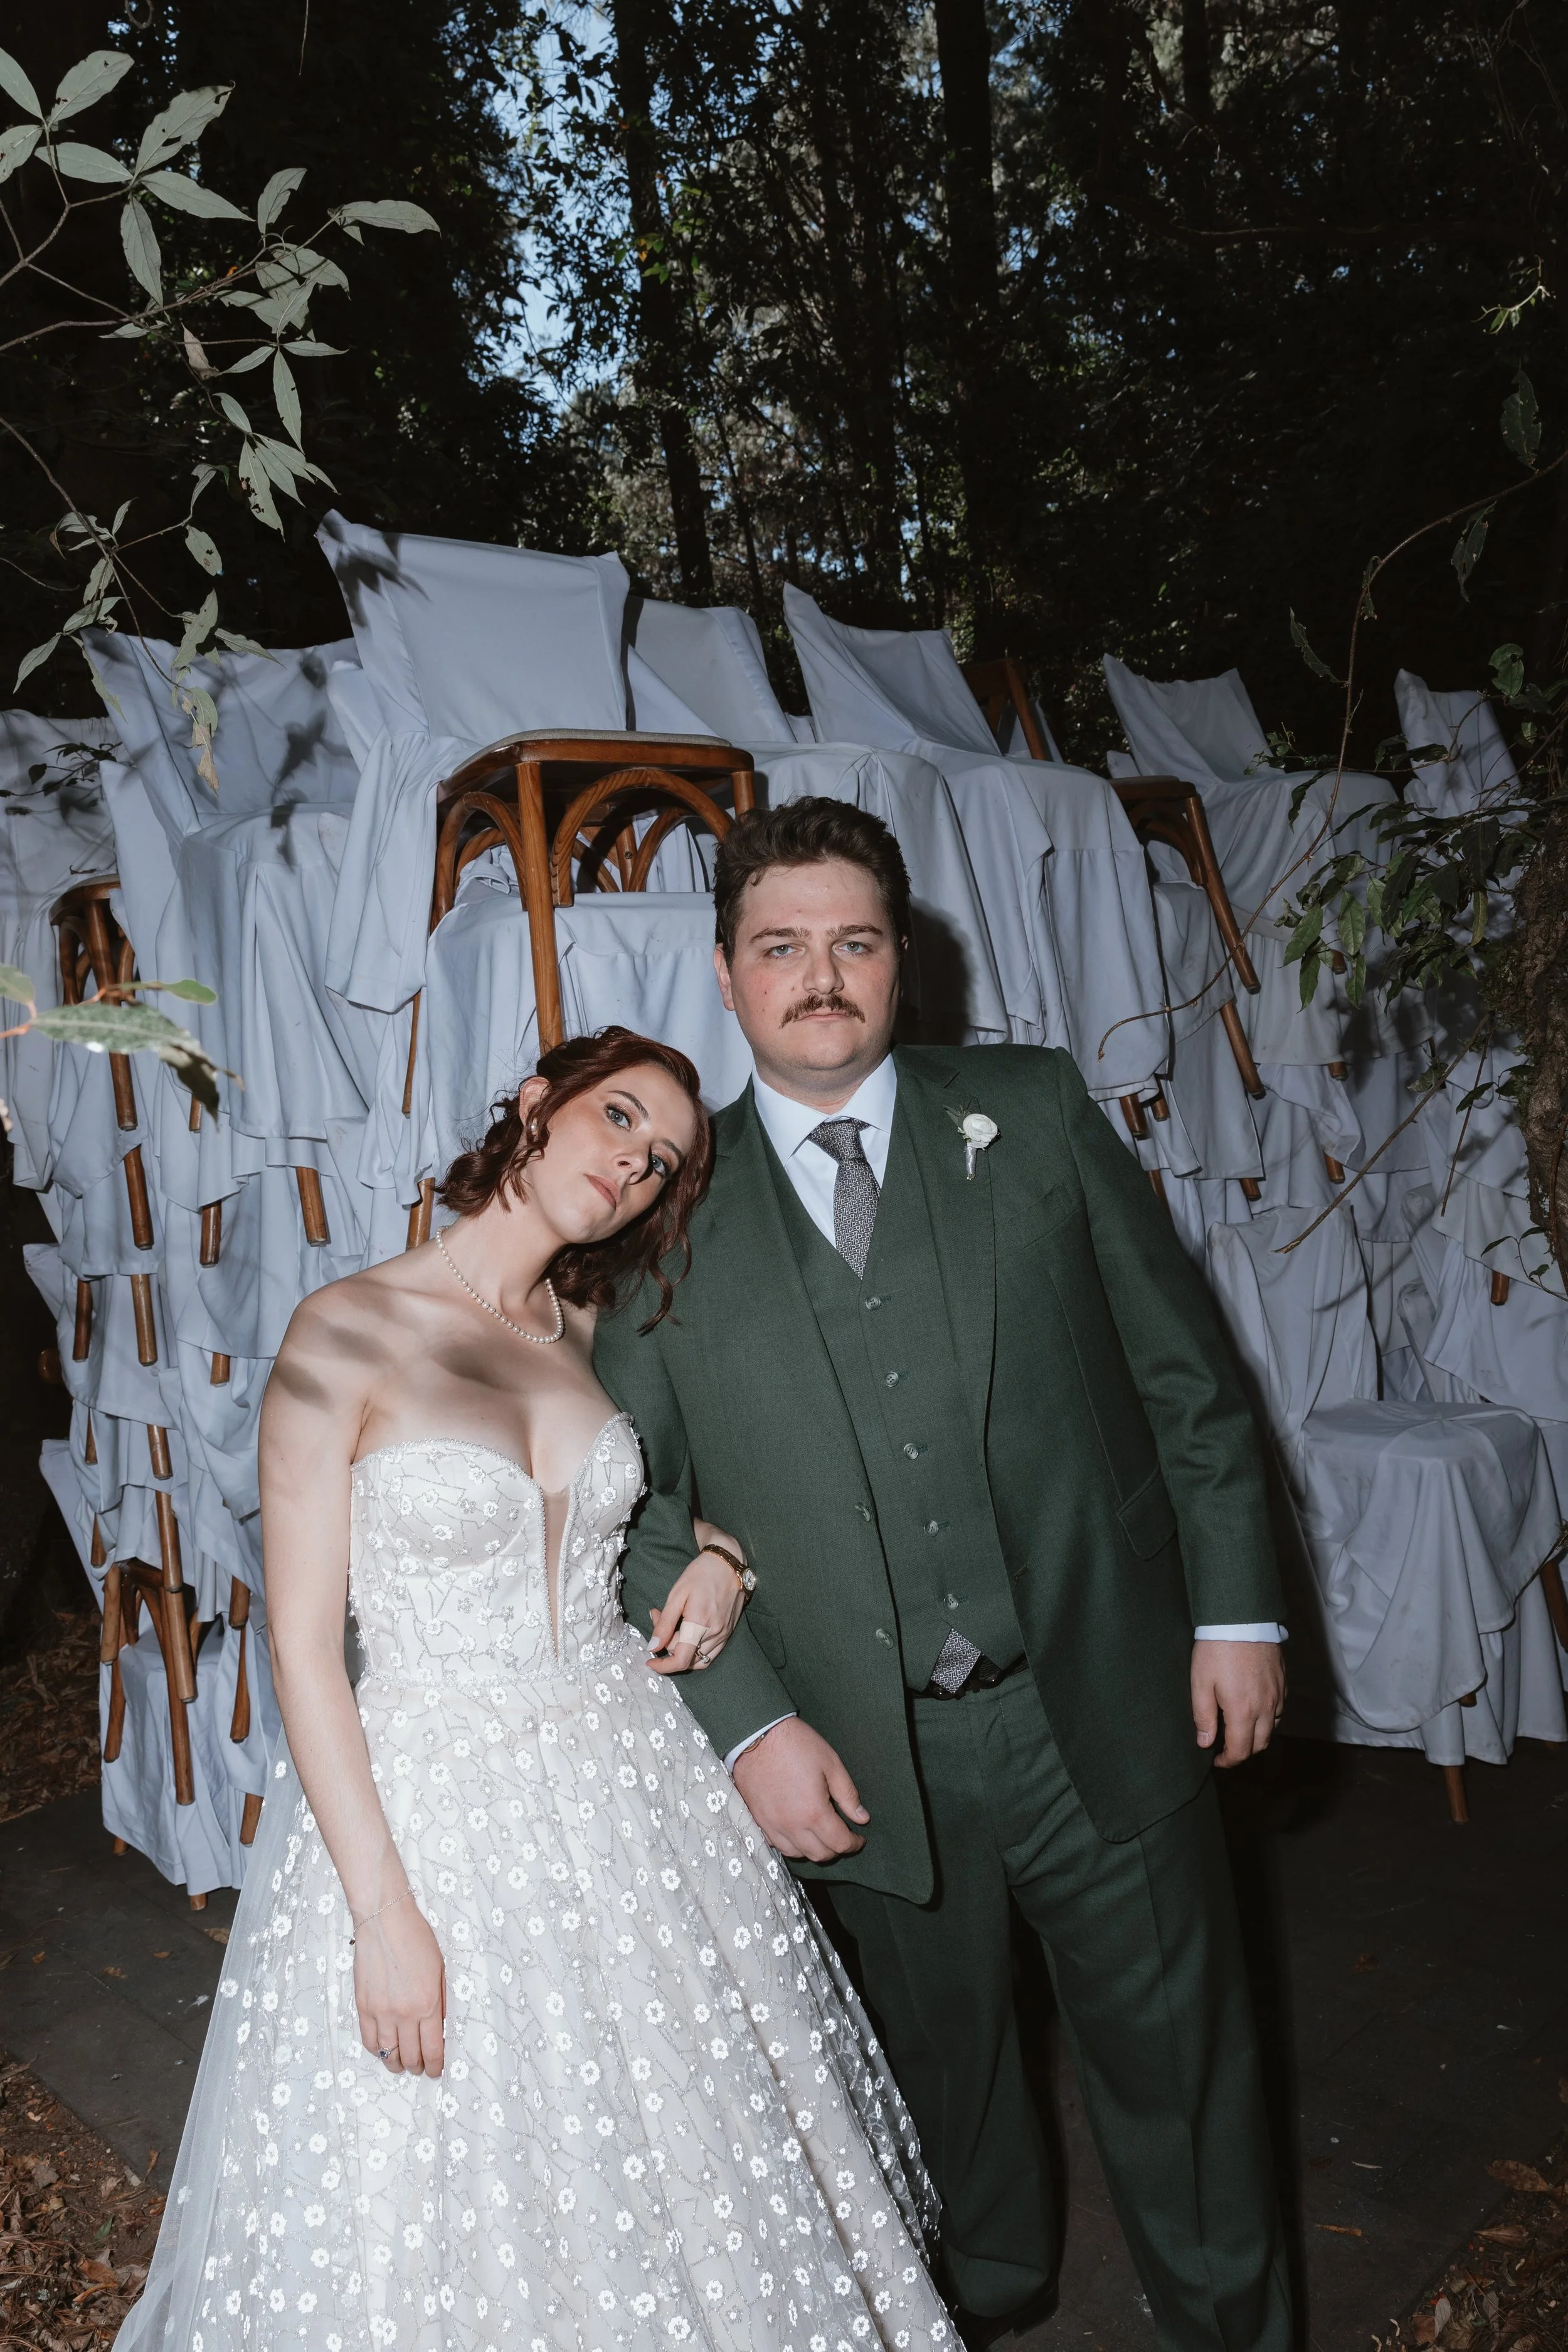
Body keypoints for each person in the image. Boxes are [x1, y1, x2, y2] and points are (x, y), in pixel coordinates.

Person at [117, 1025, 951, 2352]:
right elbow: (302, 1657)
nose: (632, 1163)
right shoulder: (344, 1331)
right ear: (534, 1107)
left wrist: (725, 1560)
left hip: (629, 1784)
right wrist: (383, 1917)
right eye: (618, 1119)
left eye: (660, 1157)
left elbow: (689, 1496)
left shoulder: (595, 1324)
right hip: (433, 1801)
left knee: (684, 2149)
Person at [595, 803, 1293, 2352]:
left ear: (901, 961)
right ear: (725, 974)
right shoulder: (657, 1212)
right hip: (857, 1746)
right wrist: (752, 1725)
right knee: (936, 2087)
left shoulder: (1031, 1114)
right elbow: (628, 1507)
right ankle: (974, 2302)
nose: (819, 975)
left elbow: (1190, 1382)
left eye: (853, 941)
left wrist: (1234, 1609)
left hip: (1098, 1702)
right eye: (781, 946)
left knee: (1182, 2076)